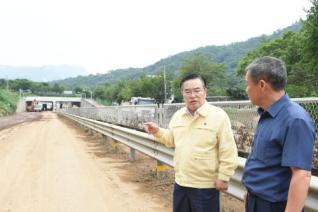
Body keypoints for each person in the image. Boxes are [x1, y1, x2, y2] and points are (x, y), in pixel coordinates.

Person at [144, 73, 238, 212]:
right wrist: (157, 131)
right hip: (181, 183)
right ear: (182, 94)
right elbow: (171, 140)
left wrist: (224, 177)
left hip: (205, 186)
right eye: (187, 92)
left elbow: (228, 150)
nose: (192, 95)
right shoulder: (178, 116)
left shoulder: (218, 116)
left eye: (197, 90)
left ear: (205, 91)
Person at [242, 56, 316, 212]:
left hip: (274, 206)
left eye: (247, 85)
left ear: (261, 85)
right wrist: (251, 191)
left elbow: (301, 175)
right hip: (256, 200)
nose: (246, 90)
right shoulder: (266, 115)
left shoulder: (295, 120)